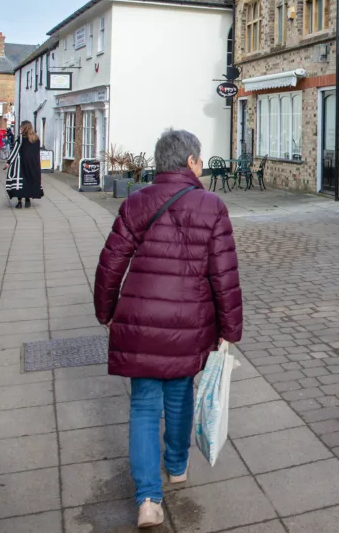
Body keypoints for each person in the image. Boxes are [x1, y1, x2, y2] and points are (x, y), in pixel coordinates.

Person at [94, 129, 242, 529]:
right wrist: (230, 328)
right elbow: (223, 275)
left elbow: (111, 263)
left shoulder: (136, 201)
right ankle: (176, 466)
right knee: (179, 394)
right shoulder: (212, 206)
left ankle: (147, 500)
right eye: (200, 160)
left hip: (139, 322)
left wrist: (105, 312)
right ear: (192, 162)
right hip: (187, 324)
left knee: (143, 405)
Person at [5, 121, 43, 209]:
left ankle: (19, 202)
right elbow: (37, 152)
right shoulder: (36, 138)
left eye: (21, 126)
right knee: (29, 181)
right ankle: (28, 200)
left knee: (20, 183)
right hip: (34, 164)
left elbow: (15, 150)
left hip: (22, 164)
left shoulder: (21, 138)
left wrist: (9, 162)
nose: (20, 128)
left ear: (24, 127)